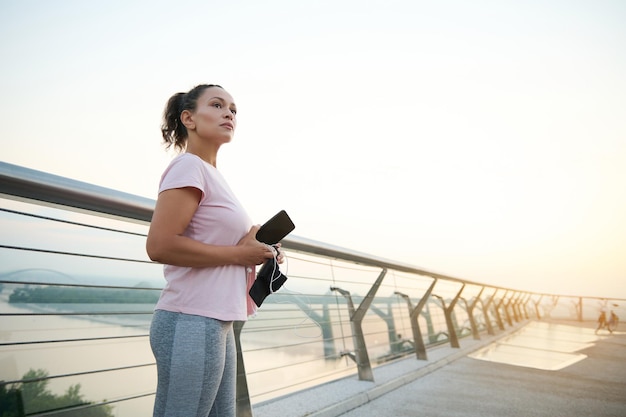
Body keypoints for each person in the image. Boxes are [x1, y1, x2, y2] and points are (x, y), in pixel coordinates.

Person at [146, 84, 282, 417]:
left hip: (216, 319)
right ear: (188, 118)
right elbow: (160, 245)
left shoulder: (212, 175)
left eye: (233, 110)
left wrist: (253, 245)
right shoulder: (188, 167)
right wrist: (240, 255)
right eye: (218, 105)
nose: (229, 114)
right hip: (191, 318)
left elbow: (219, 248)